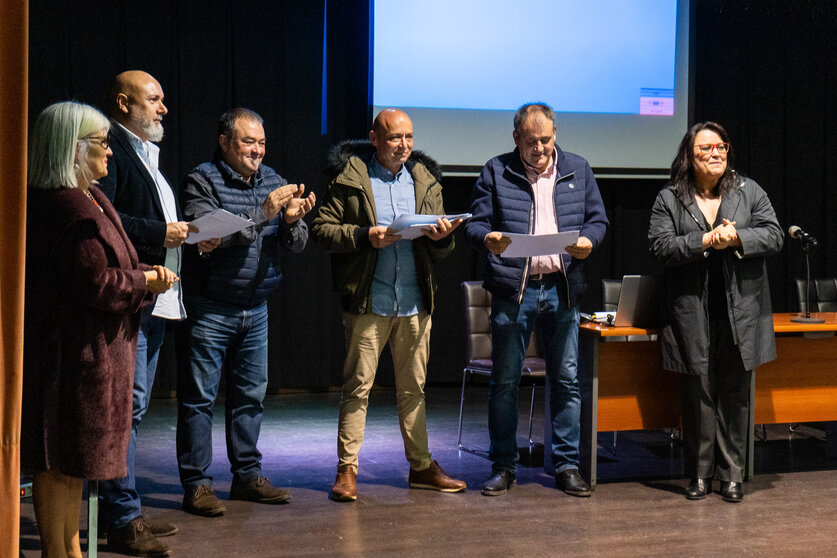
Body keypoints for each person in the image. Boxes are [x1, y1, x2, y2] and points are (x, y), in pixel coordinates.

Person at [22, 101, 176, 558]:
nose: (110, 153)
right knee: (60, 465)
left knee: (74, 466)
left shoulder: (93, 196)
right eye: (101, 144)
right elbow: (94, 282)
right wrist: (145, 281)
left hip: (97, 358)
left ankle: (69, 548)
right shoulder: (65, 207)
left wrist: (144, 271)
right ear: (71, 149)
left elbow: (116, 263)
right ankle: (59, 550)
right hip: (71, 359)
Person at [312, 108, 467, 502]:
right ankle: (347, 470)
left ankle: (420, 467)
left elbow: (441, 248)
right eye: (396, 138)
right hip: (370, 299)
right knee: (358, 388)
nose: (404, 146)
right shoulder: (351, 178)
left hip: (415, 301)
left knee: (414, 389)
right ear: (375, 138)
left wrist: (441, 236)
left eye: (409, 138)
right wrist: (366, 236)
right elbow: (322, 229)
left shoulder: (424, 179)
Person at [176, 107, 316, 516]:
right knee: (199, 400)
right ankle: (198, 485)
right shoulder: (202, 179)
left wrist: (291, 222)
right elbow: (207, 234)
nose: (258, 150)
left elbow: (296, 245)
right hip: (210, 308)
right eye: (248, 142)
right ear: (224, 142)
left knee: (250, 397)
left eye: (262, 143)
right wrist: (265, 213)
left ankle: (247, 476)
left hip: (256, 309)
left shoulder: (273, 181)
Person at [465, 103, 608, 497]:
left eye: (546, 140)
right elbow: (475, 224)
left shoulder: (578, 168)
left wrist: (587, 242)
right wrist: (487, 239)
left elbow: (598, 221)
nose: (540, 148)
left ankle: (566, 465)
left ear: (555, 134)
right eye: (531, 142)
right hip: (515, 292)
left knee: (566, 381)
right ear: (516, 139)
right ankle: (504, 466)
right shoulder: (496, 169)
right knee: (505, 381)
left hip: (562, 289)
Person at [648, 121, 783, 503]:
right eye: (706, 148)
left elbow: (773, 234)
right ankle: (699, 474)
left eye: (721, 147)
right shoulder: (670, 198)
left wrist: (737, 236)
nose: (715, 153)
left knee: (736, 395)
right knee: (698, 394)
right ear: (689, 156)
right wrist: (705, 239)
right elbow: (660, 247)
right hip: (692, 310)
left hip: (740, 309)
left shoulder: (748, 190)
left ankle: (733, 476)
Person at [98, 70, 193, 556]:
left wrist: (189, 237)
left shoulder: (145, 155)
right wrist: (162, 233)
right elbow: (107, 219)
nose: (163, 108)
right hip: (131, 296)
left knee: (133, 411)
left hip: (155, 299)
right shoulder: (111, 149)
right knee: (123, 411)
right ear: (122, 103)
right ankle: (120, 517)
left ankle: (125, 511)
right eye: (153, 99)